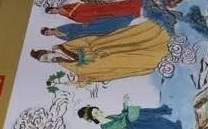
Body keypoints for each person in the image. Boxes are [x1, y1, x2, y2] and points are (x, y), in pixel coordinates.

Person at [30, 20, 169, 83]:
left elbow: (86, 41)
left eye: (46, 57)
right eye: (46, 61)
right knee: (139, 61)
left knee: (136, 41)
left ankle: (161, 41)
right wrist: (84, 79)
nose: (50, 60)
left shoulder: (64, 46)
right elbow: (85, 72)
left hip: (106, 47)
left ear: (48, 51)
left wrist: (93, 54)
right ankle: (161, 58)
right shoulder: (64, 64)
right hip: (111, 63)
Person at [40, 15, 135, 41]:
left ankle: (123, 21)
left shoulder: (59, 28)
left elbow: (72, 26)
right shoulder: (58, 36)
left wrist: (75, 32)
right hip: (84, 35)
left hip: (84, 29)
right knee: (103, 35)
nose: (49, 34)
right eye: (47, 35)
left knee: (102, 27)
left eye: (47, 32)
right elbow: (69, 39)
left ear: (49, 29)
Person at [46, 0, 143, 23]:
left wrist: (74, 13)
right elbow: (73, 18)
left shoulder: (63, 7)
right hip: (90, 16)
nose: (53, 12)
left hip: (91, 9)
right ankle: (133, 12)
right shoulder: (62, 14)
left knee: (112, 8)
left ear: (53, 8)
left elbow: (77, 5)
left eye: (52, 11)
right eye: (51, 13)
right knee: (111, 15)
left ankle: (135, 4)